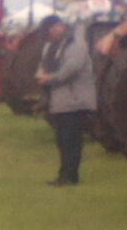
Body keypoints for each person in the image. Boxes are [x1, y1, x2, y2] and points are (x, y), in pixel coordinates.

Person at [37, 15, 96, 186]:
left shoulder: (76, 45)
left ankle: (69, 176)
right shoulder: (51, 46)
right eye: (48, 31)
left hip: (75, 101)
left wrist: (49, 78)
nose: (52, 33)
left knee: (71, 140)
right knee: (62, 140)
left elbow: (70, 69)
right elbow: (44, 64)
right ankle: (65, 174)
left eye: (54, 28)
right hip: (60, 101)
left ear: (61, 25)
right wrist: (40, 74)